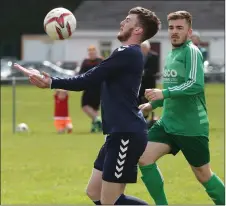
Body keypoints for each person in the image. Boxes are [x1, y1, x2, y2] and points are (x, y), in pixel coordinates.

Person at [14, 7, 161, 205]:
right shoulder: (126, 54)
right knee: (94, 191)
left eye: (128, 20)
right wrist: (49, 80)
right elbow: (90, 78)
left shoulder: (127, 53)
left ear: (137, 30)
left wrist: (50, 82)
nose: (122, 22)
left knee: (111, 201)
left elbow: (87, 79)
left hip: (126, 134)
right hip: (117, 134)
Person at [138, 11, 225, 205]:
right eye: (171, 28)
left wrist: (164, 94)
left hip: (191, 127)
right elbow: (171, 90)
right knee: (143, 158)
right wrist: (152, 104)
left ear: (189, 31)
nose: (174, 32)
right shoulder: (170, 55)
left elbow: (195, 85)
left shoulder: (192, 52)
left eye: (179, 28)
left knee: (203, 175)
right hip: (168, 124)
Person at [79, 46, 103, 133]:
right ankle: (96, 126)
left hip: (93, 88)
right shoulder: (89, 61)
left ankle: (98, 120)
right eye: (90, 52)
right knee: (94, 109)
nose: (91, 54)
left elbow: (81, 74)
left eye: (93, 52)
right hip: (95, 88)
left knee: (85, 106)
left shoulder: (97, 61)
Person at [139, 40, 160, 128]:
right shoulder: (137, 56)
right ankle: (141, 119)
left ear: (148, 48)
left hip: (150, 82)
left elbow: (155, 69)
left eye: (145, 48)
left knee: (150, 101)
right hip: (139, 84)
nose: (143, 50)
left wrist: (144, 72)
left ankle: (150, 120)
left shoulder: (154, 56)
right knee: (140, 100)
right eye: (142, 48)